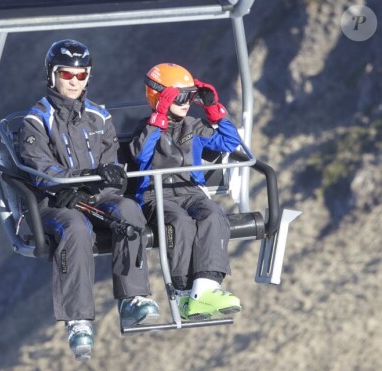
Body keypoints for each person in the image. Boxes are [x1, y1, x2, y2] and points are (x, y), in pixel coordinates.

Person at [18, 39, 159, 360]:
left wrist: (108, 175)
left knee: (128, 210)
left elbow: (110, 159)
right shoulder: (37, 120)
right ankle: (78, 319)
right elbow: (40, 167)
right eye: (66, 74)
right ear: (52, 75)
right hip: (56, 201)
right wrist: (70, 183)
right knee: (76, 229)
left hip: (97, 195)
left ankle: (132, 299)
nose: (74, 81)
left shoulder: (99, 116)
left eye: (81, 76)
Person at [130, 63, 242, 321]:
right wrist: (158, 118)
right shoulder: (146, 128)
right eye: (179, 96)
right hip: (155, 194)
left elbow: (229, 142)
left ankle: (206, 287)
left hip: (190, 190)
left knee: (213, 214)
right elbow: (140, 155)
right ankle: (183, 291)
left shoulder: (193, 126)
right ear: (159, 96)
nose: (187, 102)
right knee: (179, 222)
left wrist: (214, 110)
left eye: (191, 95)